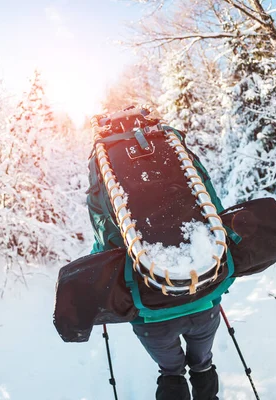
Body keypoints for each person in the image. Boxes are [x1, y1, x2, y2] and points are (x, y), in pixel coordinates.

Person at [86, 107, 224, 400]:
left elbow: (105, 241)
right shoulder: (171, 154)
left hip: (151, 311)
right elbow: (215, 212)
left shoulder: (105, 173)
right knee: (203, 365)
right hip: (204, 294)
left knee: (171, 373)